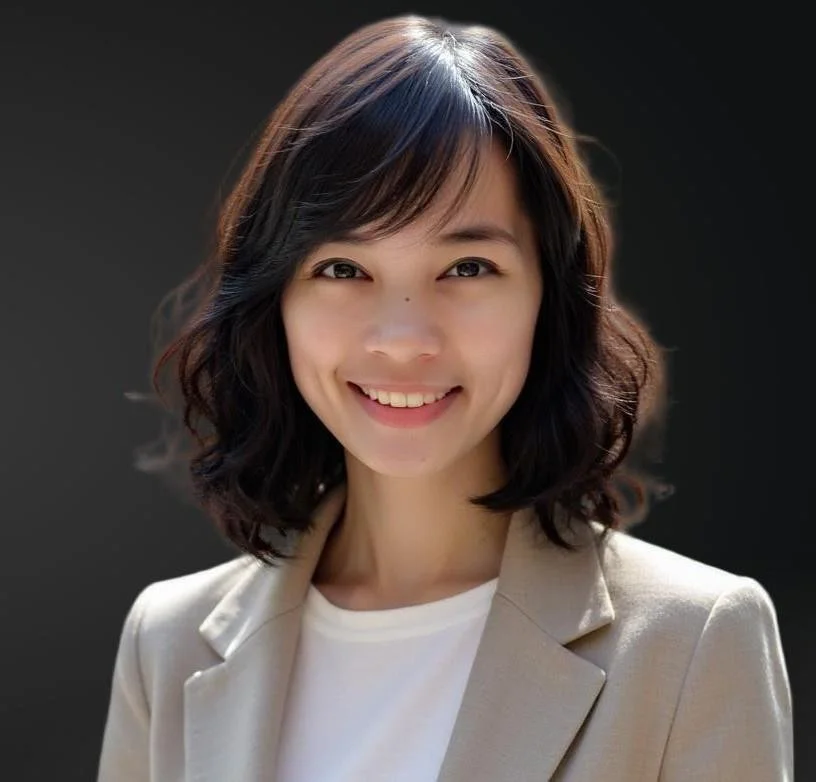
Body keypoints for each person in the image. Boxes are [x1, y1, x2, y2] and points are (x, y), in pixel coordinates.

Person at [97, 14, 793, 782]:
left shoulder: (692, 642)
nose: (403, 339)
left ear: (547, 296)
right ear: (275, 302)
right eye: (341, 268)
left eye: (466, 268)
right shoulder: (168, 643)